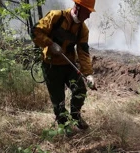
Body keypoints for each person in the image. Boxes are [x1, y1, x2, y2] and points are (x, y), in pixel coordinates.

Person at [31, 0, 96, 130]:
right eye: (87, 12)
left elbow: (83, 52)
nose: (88, 16)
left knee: (80, 90)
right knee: (58, 100)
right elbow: (35, 32)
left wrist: (88, 74)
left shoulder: (83, 29)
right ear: (77, 7)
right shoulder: (56, 17)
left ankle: (76, 116)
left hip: (68, 65)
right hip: (51, 66)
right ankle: (64, 127)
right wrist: (50, 43)